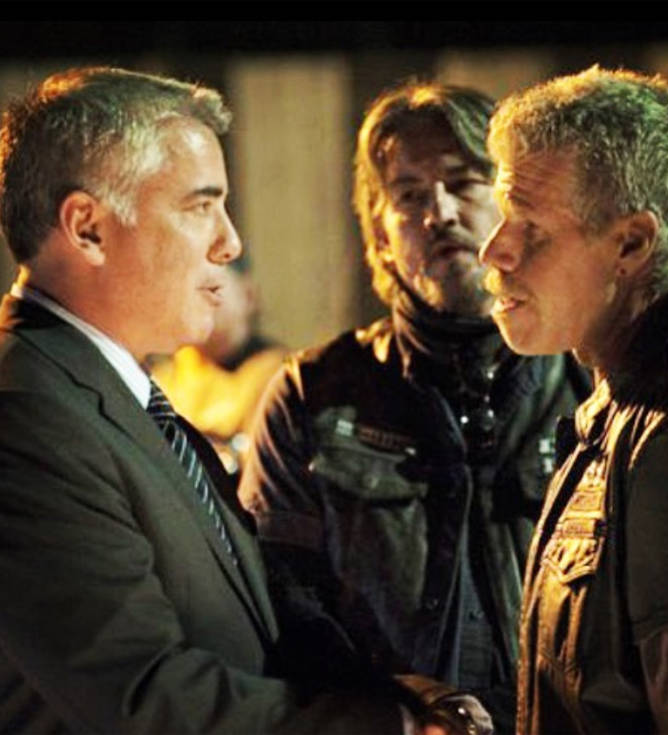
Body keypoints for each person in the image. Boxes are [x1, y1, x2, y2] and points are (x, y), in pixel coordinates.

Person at [0, 66, 490, 735]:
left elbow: (250, 610)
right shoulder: (26, 412)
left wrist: (390, 691)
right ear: (87, 228)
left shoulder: (105, 394)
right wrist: (387, 726)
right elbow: (143, 696)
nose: (229, 243)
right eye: (200, 206)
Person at [240, 81, 590, 734]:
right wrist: (393, 704)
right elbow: (276, 603)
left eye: (464, 182)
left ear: (517, 205)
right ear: (378, 231)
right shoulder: (311, 394)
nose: (438, 212)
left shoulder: (592, 381)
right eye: (408, 195)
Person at [480, 65, 668, 734]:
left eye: (530, 227)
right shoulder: (629, 398)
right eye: (500, 217)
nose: (493, 250)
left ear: (631, 243)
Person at [149, 256, 287, 482]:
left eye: (211, 288)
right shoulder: (159, 378)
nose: (192, 301)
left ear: (248, 295)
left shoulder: (280, 377)